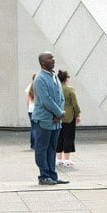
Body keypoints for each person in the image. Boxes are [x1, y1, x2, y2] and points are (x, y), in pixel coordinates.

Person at [32, 51, 68, 185]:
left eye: (53, 57)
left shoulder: (54, 76)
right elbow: (45, 99)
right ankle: (44, 176)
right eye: (50, 58)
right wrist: (58, 112)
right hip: (45, 120)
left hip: (56, 120)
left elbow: (61, 97)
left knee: (52, 147)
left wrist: (59, 113)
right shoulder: (40, 78)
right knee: (42, 148)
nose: (53, 60)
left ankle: (53, 175)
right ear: (42, 62)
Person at [56, 70, 81, 167]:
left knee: (59, 137)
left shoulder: (56, 89)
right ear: (66, 78)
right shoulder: (70, 89)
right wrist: (78, 114)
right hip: (69, 116)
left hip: (58, 116)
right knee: (69, 137)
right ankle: (66, 159)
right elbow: (75, 103)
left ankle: (58, 159)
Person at [24, 73, 36, 149]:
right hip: (37, 110)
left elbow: (27, 100)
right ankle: (36, 144)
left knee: (33, 127)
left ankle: (32, 144)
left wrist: (28, 108)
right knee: (38, 128)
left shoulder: (29, 87)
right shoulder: (39, 87)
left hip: (31, 110)